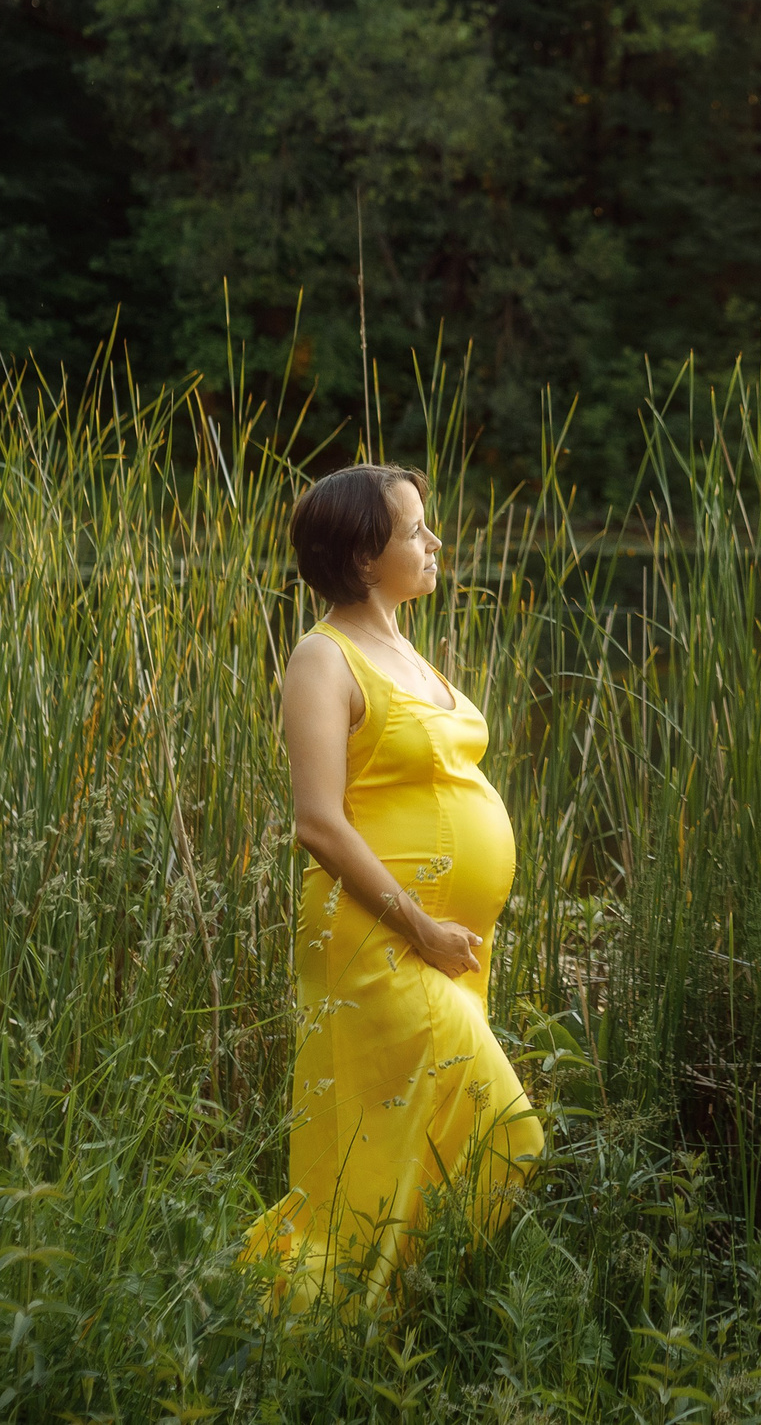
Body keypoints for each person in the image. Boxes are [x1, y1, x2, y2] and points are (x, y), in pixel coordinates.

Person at [244, 463, 543, 1308]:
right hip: (379, 940)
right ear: (366, 555)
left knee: (400, 1149)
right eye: (417, 530)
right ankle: (323, 1306)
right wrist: (421, 926)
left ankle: (375, 1319)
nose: (435, 541)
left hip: (445, 950)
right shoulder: (320, 656)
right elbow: (319, 822)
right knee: (509, 1130)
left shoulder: (403, 647)